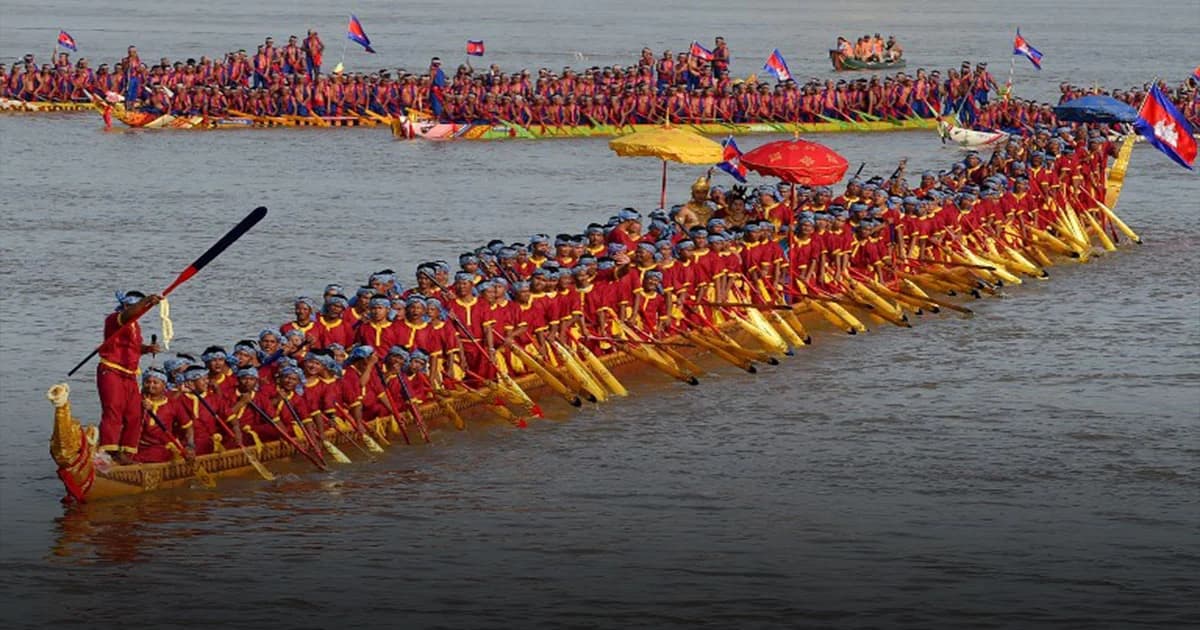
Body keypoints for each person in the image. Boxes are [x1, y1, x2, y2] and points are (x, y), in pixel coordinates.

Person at [97, 290, 162, 464]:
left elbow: (134, 348)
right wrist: (147, 300)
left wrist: (147, 349)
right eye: (134, 306)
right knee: (114, 410)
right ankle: (110, 450)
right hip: (112, 370)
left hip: (130, 373)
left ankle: (126, 452)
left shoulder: (136, 326)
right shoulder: (115, 318)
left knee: (134, 413)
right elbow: (128, 315)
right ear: (125, 305)